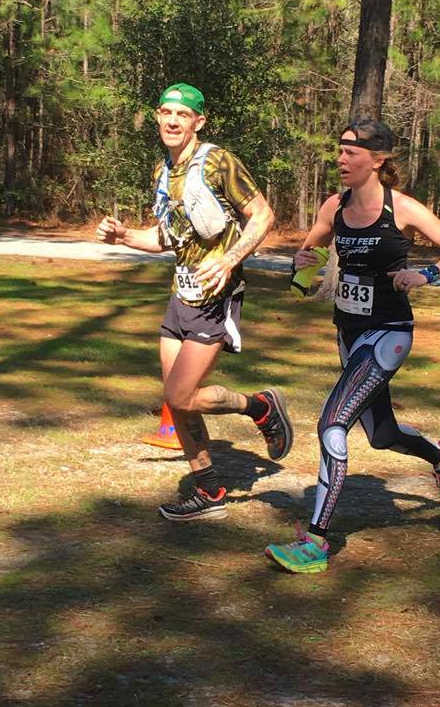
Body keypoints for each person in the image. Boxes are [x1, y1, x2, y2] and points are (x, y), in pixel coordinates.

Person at [265, 119, 440, 573]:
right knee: (381, 436)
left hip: (389, 332)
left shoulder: (402, 209)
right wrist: (301, 266)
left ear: (378, 160)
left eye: (351, 153)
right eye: (340, 151)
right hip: (348, 334)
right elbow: (309, 258)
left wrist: (426, 274)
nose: (341, 159)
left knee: (332, 425)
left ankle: (315, 543)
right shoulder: (333, 207)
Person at [96, 82, 294, 521]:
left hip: (215, 296)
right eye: (165, 112)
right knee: (177, 402)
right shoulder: (163, 172)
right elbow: (168, 237)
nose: (171, 121)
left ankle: (259, 405)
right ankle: (209, 490)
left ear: (197, 122)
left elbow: (263, 214)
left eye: (181, 115)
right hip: (180, 295)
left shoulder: (218, 162)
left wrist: (230, 259)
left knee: (181, 394)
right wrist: (124, 236)